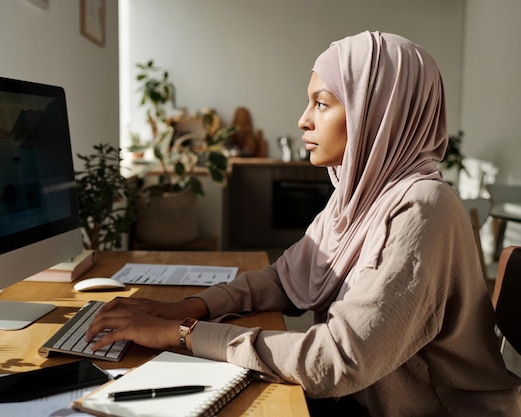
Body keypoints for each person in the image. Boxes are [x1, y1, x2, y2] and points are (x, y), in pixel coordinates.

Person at [86, 31, 521, 416]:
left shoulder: (423, 208)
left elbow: (333, 362)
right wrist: (193, 307)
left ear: (377, 113)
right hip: (358, 398)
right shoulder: (358, 197)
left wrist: (182, 335)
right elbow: (283, 276)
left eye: (322, 103)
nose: (303, 120)